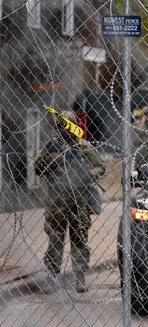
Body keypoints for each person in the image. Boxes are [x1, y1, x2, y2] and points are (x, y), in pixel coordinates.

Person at [35, 110, 106, 293]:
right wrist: (56, 159)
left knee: (79, 240)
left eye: (66, 126)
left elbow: (101, 166)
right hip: (57, 200)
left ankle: (80, 278)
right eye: (60, 127)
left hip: (79, 200)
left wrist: (88, 174)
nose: (63, 131)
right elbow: (38, 168)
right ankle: (52, 277)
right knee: (55, 238)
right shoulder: (52, 147)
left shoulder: (83, 147)